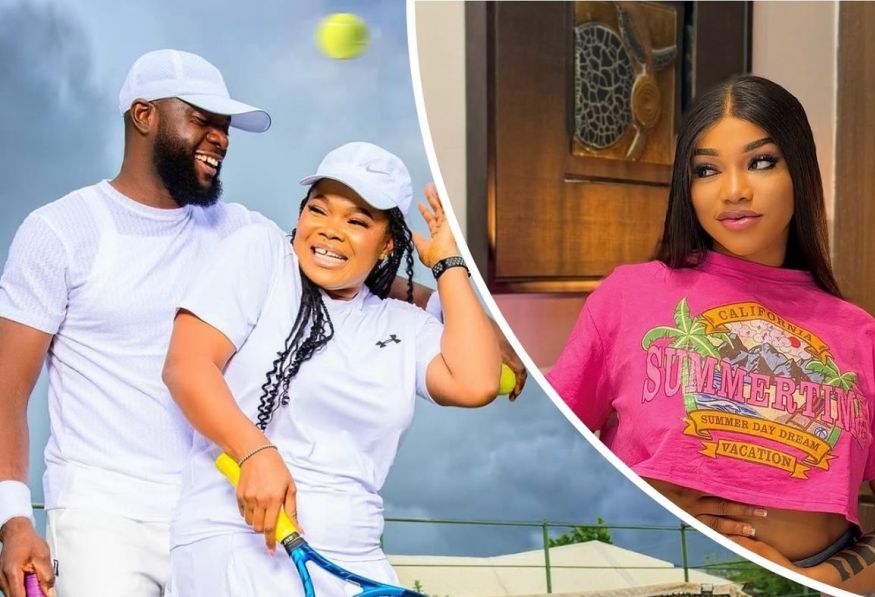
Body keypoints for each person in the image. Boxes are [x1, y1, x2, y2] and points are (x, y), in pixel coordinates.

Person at [547, 75, 875, 595]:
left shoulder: (861, 336)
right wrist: (641, 507)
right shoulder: (629, 296)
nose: (733, 190)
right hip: (653, 574)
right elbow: (553, 455)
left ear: (799, 170)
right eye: (707, 170)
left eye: (761, 161)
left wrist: (811, 582)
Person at [162, 142, 500, 595]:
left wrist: (447, 264)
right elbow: (187, 365)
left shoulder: (401, 324)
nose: (331, 231)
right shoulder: (260, 255)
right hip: (238, 540)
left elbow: (477, 383)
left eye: (357, 221)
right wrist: (255, 452)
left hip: (359, 559)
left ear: (387, 245)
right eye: (318, 210)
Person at [0, 49, 274, 597]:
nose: (220, 137)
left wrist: (447, 304)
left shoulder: (241, 231)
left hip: (214, 516)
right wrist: (14, 521)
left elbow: (334, 259)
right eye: (202, 119)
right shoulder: (60, 230)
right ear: (143, 115)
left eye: (225, 126)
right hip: (103, 518)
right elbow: (8, 391)